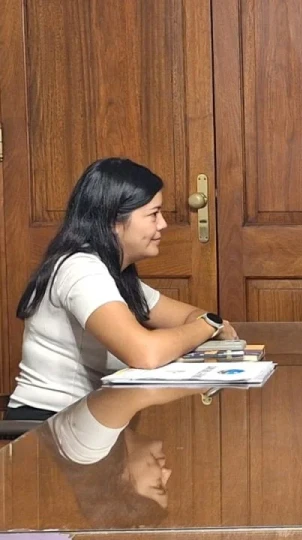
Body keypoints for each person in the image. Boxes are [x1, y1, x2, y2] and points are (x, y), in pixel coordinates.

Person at [7, 158, 236, 421]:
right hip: (48, 426)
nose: (163, 224)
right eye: (153, 214)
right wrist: (210, 324)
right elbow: (146, 353)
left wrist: (201, 323)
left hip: (87, 421)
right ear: (113, 222)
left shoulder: (114, 273)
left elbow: (187, 316)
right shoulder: (80, 269)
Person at [36, 386, 203, 528]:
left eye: (158, 485)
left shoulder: (87, 448)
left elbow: (144, 390)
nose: (167, 472)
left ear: (120, 483)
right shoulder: (98, 446)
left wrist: (209, 386)